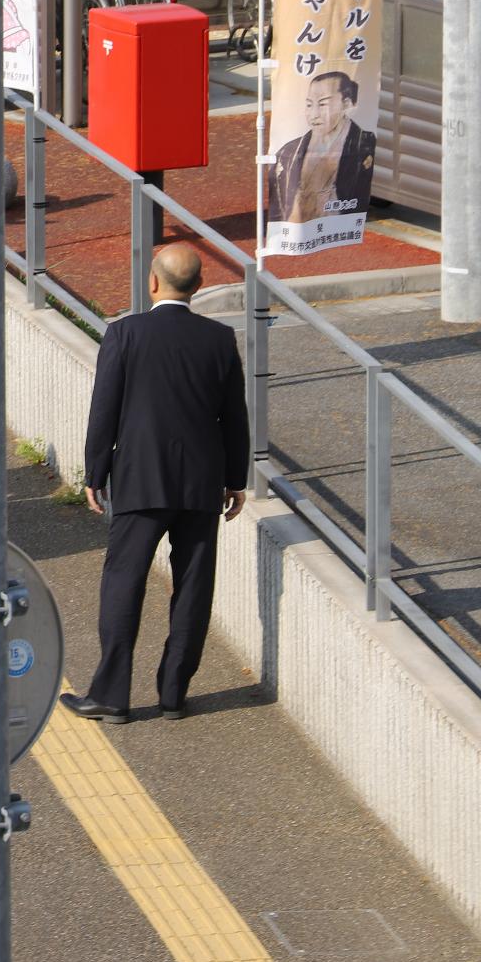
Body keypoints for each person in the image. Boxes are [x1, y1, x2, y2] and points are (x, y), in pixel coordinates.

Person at [62, 243, 251, 725]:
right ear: (199, 285)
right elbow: (234, 416)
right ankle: (173, 694)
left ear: (152, 282)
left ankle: (111, 695)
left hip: (140, 479)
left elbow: (104, 408)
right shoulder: (219, 339)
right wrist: (235, 480)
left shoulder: (125, 333)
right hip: (202, 484)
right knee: (193, 585)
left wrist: (95, 471)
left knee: (124, 581)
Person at [268, 69, 377, 227]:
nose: (314, 114)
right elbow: (279, 201)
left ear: (346, 103)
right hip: (298, 227)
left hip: (340, 226)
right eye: (309, 105)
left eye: (323, 104)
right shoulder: (290, 150)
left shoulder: (365, 145)